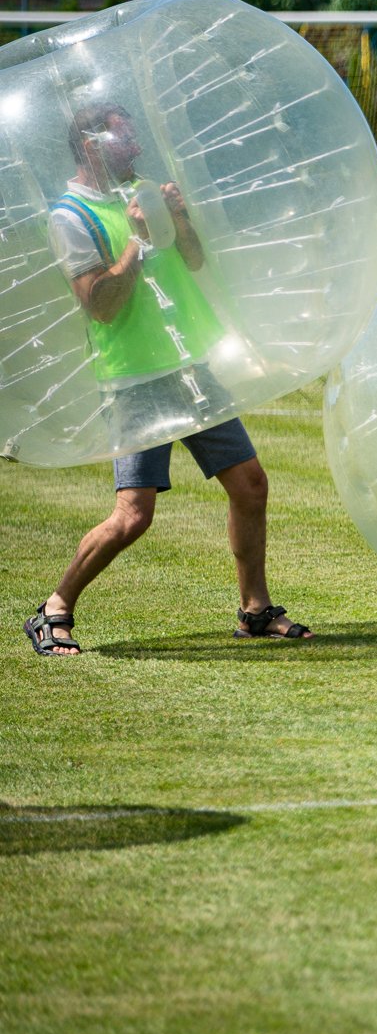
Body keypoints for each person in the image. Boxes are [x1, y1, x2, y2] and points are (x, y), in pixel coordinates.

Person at [26, 104, 306, 655]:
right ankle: (53, 609)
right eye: (123, 140)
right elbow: (101, 305)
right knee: (133, 516)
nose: (135, 149)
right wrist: (135, 238)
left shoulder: (145, 190)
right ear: (90, 146)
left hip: (190, 366)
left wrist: (175, 221)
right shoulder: (70, 216)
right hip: (136, 380)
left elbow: (195, 260)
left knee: (251, 486)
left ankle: (254, 610)